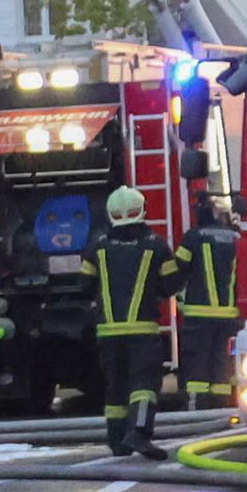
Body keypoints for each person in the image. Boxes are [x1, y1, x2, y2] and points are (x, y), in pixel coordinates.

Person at [94, 186, 170, 454]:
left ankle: (117, 441)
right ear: (142, 211)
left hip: (108, 332)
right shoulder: (156, 245)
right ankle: (138, 432)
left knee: (115, 386)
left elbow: (84, 282)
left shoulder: (99, 246)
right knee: (144, 384)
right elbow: (170, 283)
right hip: (142, 331)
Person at [174, 202, 241, 416]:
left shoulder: (193, 237)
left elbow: (179, 269)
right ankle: (223, 411)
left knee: (197, 363)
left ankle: (195, 411)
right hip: (230, 314)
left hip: (199, 314)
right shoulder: (236, 237)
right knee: (222, 363)